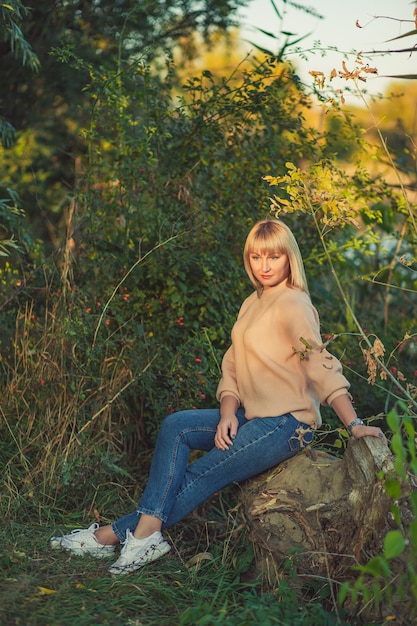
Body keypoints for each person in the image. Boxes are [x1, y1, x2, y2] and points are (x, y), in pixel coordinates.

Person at [52, 218, 386, 575]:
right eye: (257, 257)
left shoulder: (293, 304)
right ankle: (137, 537)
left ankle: (117, 536)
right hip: (254, 416)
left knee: (203, 473)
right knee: (177, 426)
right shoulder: (252, 302)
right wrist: (228, 412)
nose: (265, 266)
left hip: (289, 425)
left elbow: (319, 365)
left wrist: (355, 425)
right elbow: (232, 368)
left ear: (290, 258)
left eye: (274, 257)